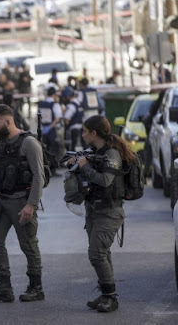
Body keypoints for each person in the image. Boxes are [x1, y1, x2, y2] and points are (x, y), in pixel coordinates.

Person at [66, 115, 133, 313]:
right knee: (102, 254)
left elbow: (105, 181)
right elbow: (84, 176)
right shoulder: (93, 151)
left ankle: (111, 298)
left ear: (94, 133)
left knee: (96, 254)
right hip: (93, 210)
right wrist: (76, 164)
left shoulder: (111, 154)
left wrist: (84, 165)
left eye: (85, 131)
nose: (83, 135)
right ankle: (106, 294)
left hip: (109, 211)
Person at [0, 104, 45, 303]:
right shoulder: (0, 143)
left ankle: (36, 287)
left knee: (29, 245)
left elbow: (38, 177)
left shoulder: (29, 143)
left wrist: (31, 204)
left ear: (8, 122)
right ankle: (4, 288)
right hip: (1, 201)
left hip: (21, 203)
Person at [38, 86, 62, 174]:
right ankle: (53, 171)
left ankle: (45, 170)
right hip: (52, 130)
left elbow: (37, 118)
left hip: (43, 130)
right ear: (54, 94)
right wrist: (50, 127)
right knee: (54, 151)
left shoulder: (41, 104)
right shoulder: (55, 104)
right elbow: (57, 118)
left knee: (45, 151)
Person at [62, 86, 84, 151]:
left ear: (68, 96)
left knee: (71, 149)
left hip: (72, 130)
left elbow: (66, 120)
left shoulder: (70, 105)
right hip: (81, 129)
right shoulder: (79, 103)